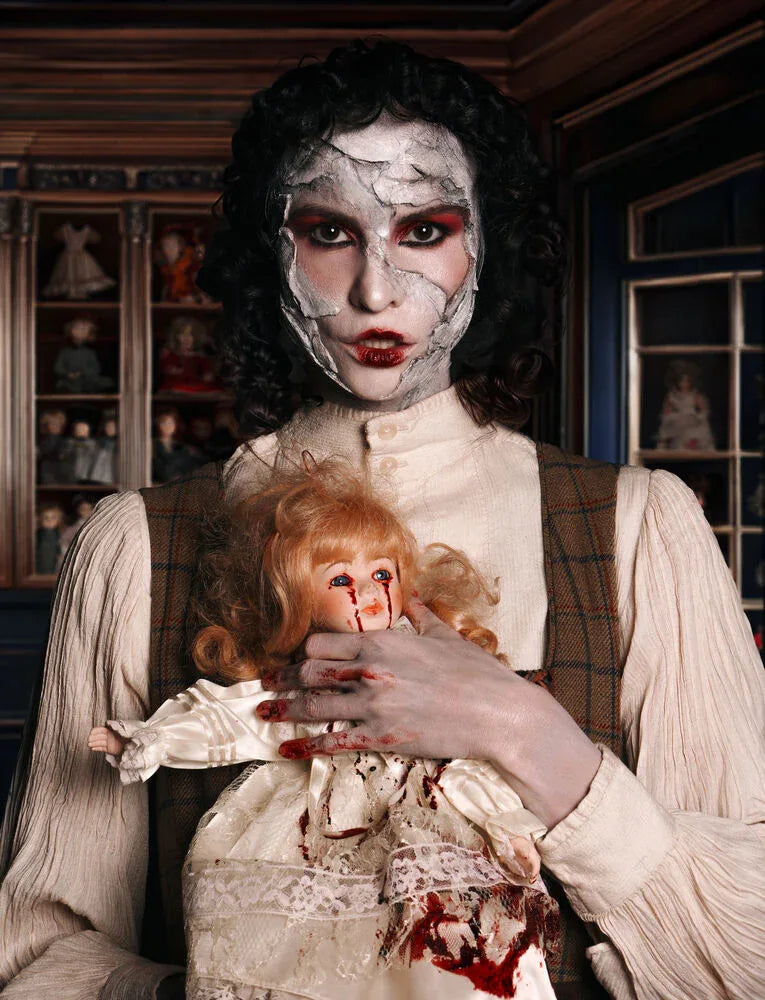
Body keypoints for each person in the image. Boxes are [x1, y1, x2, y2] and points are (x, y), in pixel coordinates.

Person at [1, 39, 763, 1000]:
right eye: (329, 231)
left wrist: (526, 733)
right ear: (270, 251)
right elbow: (35, 952)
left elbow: (747, 953)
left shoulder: (640, 528)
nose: (375, 289)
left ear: (487, 247)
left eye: (423, 229)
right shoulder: (131, 545)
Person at [88, 458, 558, 1000]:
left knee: (451, 953)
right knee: (323, 955)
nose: (369, 592)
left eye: (382, 574)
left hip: (428, 827)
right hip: (323, 831)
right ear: (301, 597)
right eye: (340, 579)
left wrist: (507, 828)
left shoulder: (438, 672)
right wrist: (154, 739)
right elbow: (242, 717)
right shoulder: (313, 683)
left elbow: (470, 761)